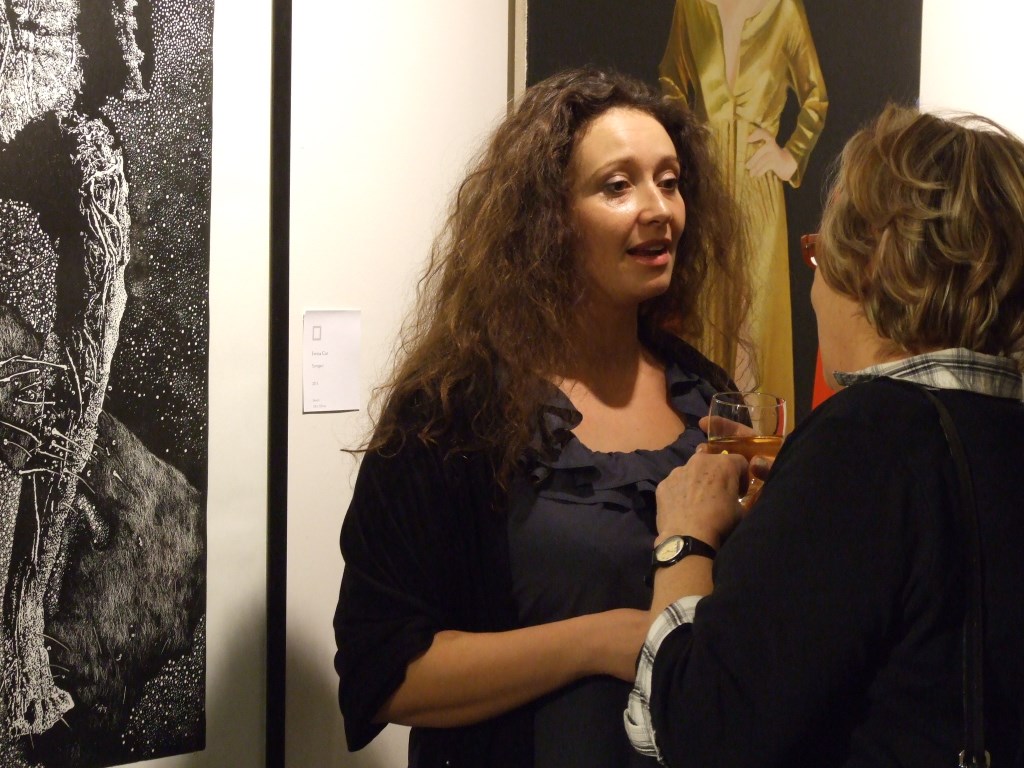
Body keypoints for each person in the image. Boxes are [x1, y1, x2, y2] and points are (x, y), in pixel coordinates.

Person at [333, 67, 750, 767]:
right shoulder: (454, 410)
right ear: (546, 220)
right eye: (617, 186)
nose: (659, 209)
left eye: (669, 181)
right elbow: (386, 673)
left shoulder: (706, 395)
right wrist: (601, 641)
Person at [626, 104, 1024, 766]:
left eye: (819, 254)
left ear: (871, 265)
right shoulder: (978, 435)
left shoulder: (867, 440)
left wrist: (685, 539)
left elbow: (698, 727)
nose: (814, 288)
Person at [660, 0, 828, 422]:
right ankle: (700, 436)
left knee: (754, 321)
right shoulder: (692, 7)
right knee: (703, 313)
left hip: (758, 183)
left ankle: (760, 447)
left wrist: (791, 155)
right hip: (705, 184)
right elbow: (670, 79)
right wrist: (685, 139)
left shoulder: (784, 11)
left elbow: (816, 98)